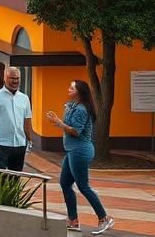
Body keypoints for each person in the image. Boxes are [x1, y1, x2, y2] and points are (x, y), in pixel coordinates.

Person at [47, 80, 114, 234]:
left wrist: (59, 122)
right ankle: (73, 221)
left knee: (83, 186)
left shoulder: (82, 110)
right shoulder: (72, 106)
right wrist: (57, 120)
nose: (69, 88)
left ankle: (104, 218)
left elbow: (76, 131)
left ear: (79, 92)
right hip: (72, 151)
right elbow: (66, 124)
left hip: (80, 151)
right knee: (64, 183)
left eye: (72, 87)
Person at [0, 66, 34, 172]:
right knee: (0, 177)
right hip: (1, 144)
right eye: (12, 78)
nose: (15, 81)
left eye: (17, 78)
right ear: (5, 78)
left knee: (16, 175)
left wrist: (29, 139)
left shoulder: (24, 98)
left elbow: (27, 120)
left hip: (20, 144)